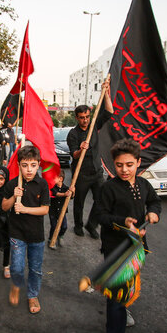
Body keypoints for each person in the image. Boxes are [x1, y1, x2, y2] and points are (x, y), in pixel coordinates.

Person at [95, 138, 161, 333]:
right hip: (115, 249)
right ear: (114, 164)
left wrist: (153, 212)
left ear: (138, 163)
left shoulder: (143, 184)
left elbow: (154, 202)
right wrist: (122, 222)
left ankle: (123, 308)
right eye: (120, 165)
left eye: (130, 165)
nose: (124, 169)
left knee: (127, 289)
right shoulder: (108, 188)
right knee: (115, 297)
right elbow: (100, 216)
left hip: (137, 249)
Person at [2, 145, 50, 314]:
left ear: (38, 165)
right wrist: (14, 195)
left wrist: (24, 209)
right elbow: (4, 206)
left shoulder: (42, 184)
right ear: (19, 165)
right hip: (17, 233)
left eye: (33, 165)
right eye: (24, 165)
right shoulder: (12, 184)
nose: (29, 170)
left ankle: (32, 295)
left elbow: (45, 209)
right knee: (16, 268)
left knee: (35, 269)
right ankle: (16, 285)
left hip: (36, 236)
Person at [66, 79, 114, 239]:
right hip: (81, 175)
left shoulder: (94, 124)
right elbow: (73, 155)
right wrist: (81, 149)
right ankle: (78, 225)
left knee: (101, 200)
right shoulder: (72, 134)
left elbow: (109, 111)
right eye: (81, 117)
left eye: (87, 116)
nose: (85, 120)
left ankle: (91, 225)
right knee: (78, 203)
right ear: (77, 118)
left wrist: (106, 92)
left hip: (97, 172)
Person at [48, 170, 73, 249]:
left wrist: (73, 192)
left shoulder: (66, 188)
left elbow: (71, 197)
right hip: (53, 210)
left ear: (60, 179)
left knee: (64, 226)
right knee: (54, 226)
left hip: (62, 211)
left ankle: (60, 236)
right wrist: (64, 194)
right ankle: (51, 239)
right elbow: (57, 194)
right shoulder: (52, 187)